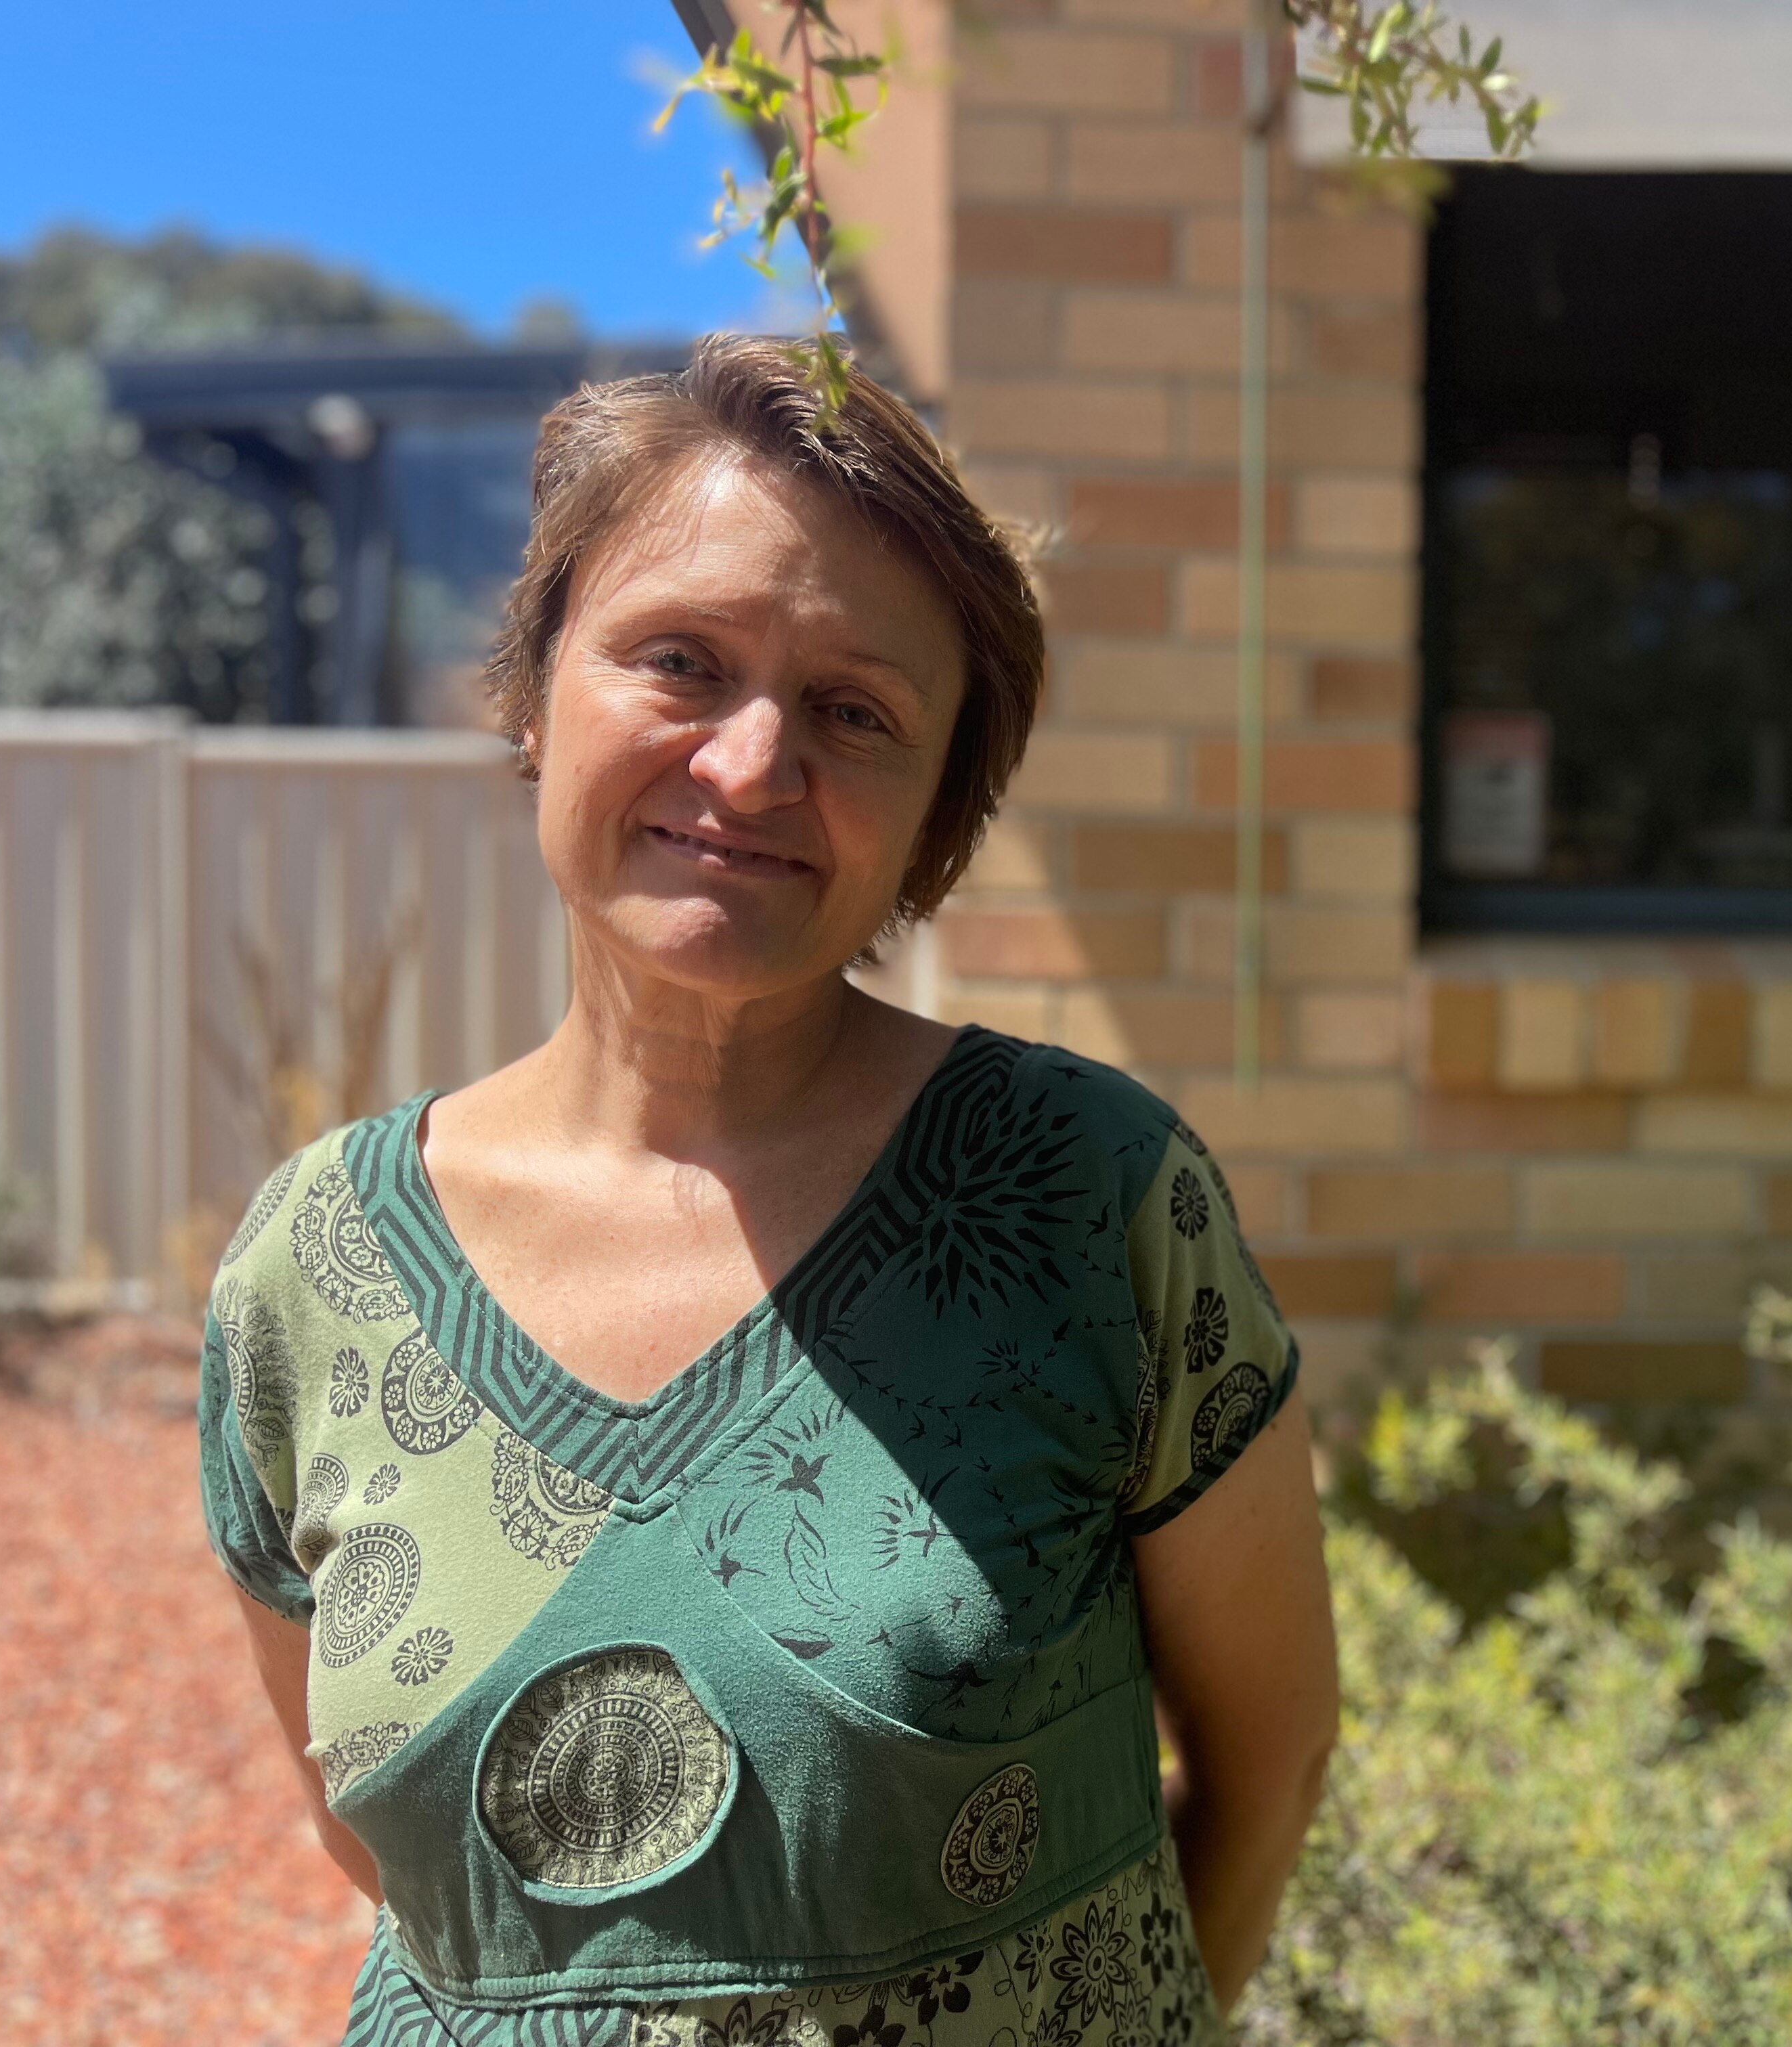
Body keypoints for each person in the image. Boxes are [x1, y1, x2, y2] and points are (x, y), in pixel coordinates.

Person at [198, 334, 1339, 2047]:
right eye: (680, 660)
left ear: (938, 813)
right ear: (533, 687)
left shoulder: (1092, 1203)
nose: (748, 766)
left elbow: (1269, 1757)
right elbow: (390, 1852)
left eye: (855, 713)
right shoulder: (316, 1267)